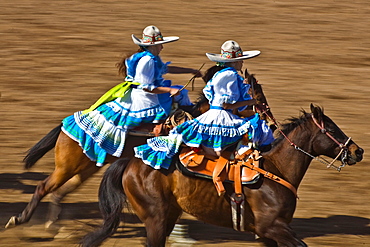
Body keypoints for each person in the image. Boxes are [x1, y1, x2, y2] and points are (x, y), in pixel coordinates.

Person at [61, 25, 201, 166]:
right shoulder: (148, 61)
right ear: (153, 46)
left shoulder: (148, 57)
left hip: (140, 94)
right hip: (146, 99)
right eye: (160, 45)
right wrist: (169, 91)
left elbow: (166, 68)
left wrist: (190, 70)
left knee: (180, 91)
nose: (162, 48)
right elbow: (147, 87)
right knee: (180, 95)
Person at [134, 40, 274, 170]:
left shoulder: (222, 74)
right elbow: (226, 105)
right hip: (221, 116)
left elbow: (214, 97)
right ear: (234, 62)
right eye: (240, 60)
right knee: (261, 131)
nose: (242, 62)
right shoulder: (230, 75)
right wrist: (252, 102)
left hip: (213, 114)